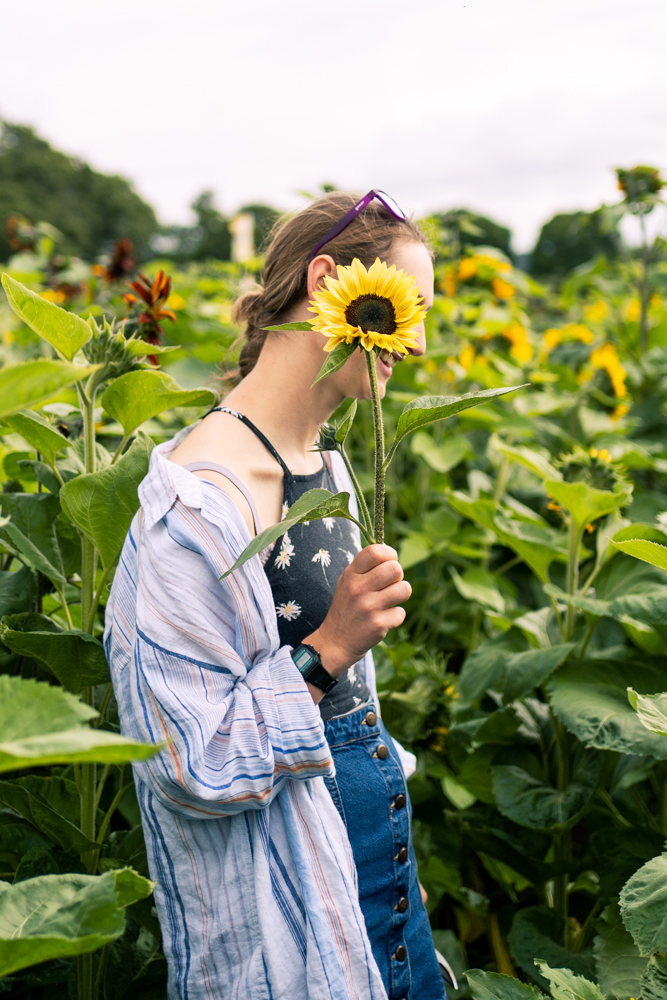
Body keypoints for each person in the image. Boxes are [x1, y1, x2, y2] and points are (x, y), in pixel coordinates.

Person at [105, 191, 446, 1000]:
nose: (419, 341)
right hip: (290, 910)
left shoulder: (327, 468)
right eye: (407, 309)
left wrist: (400, 861)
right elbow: (187, 760)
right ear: (327, 279)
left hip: (384, 880)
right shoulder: (199, 502)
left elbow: (355, 710)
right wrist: (328, 646)